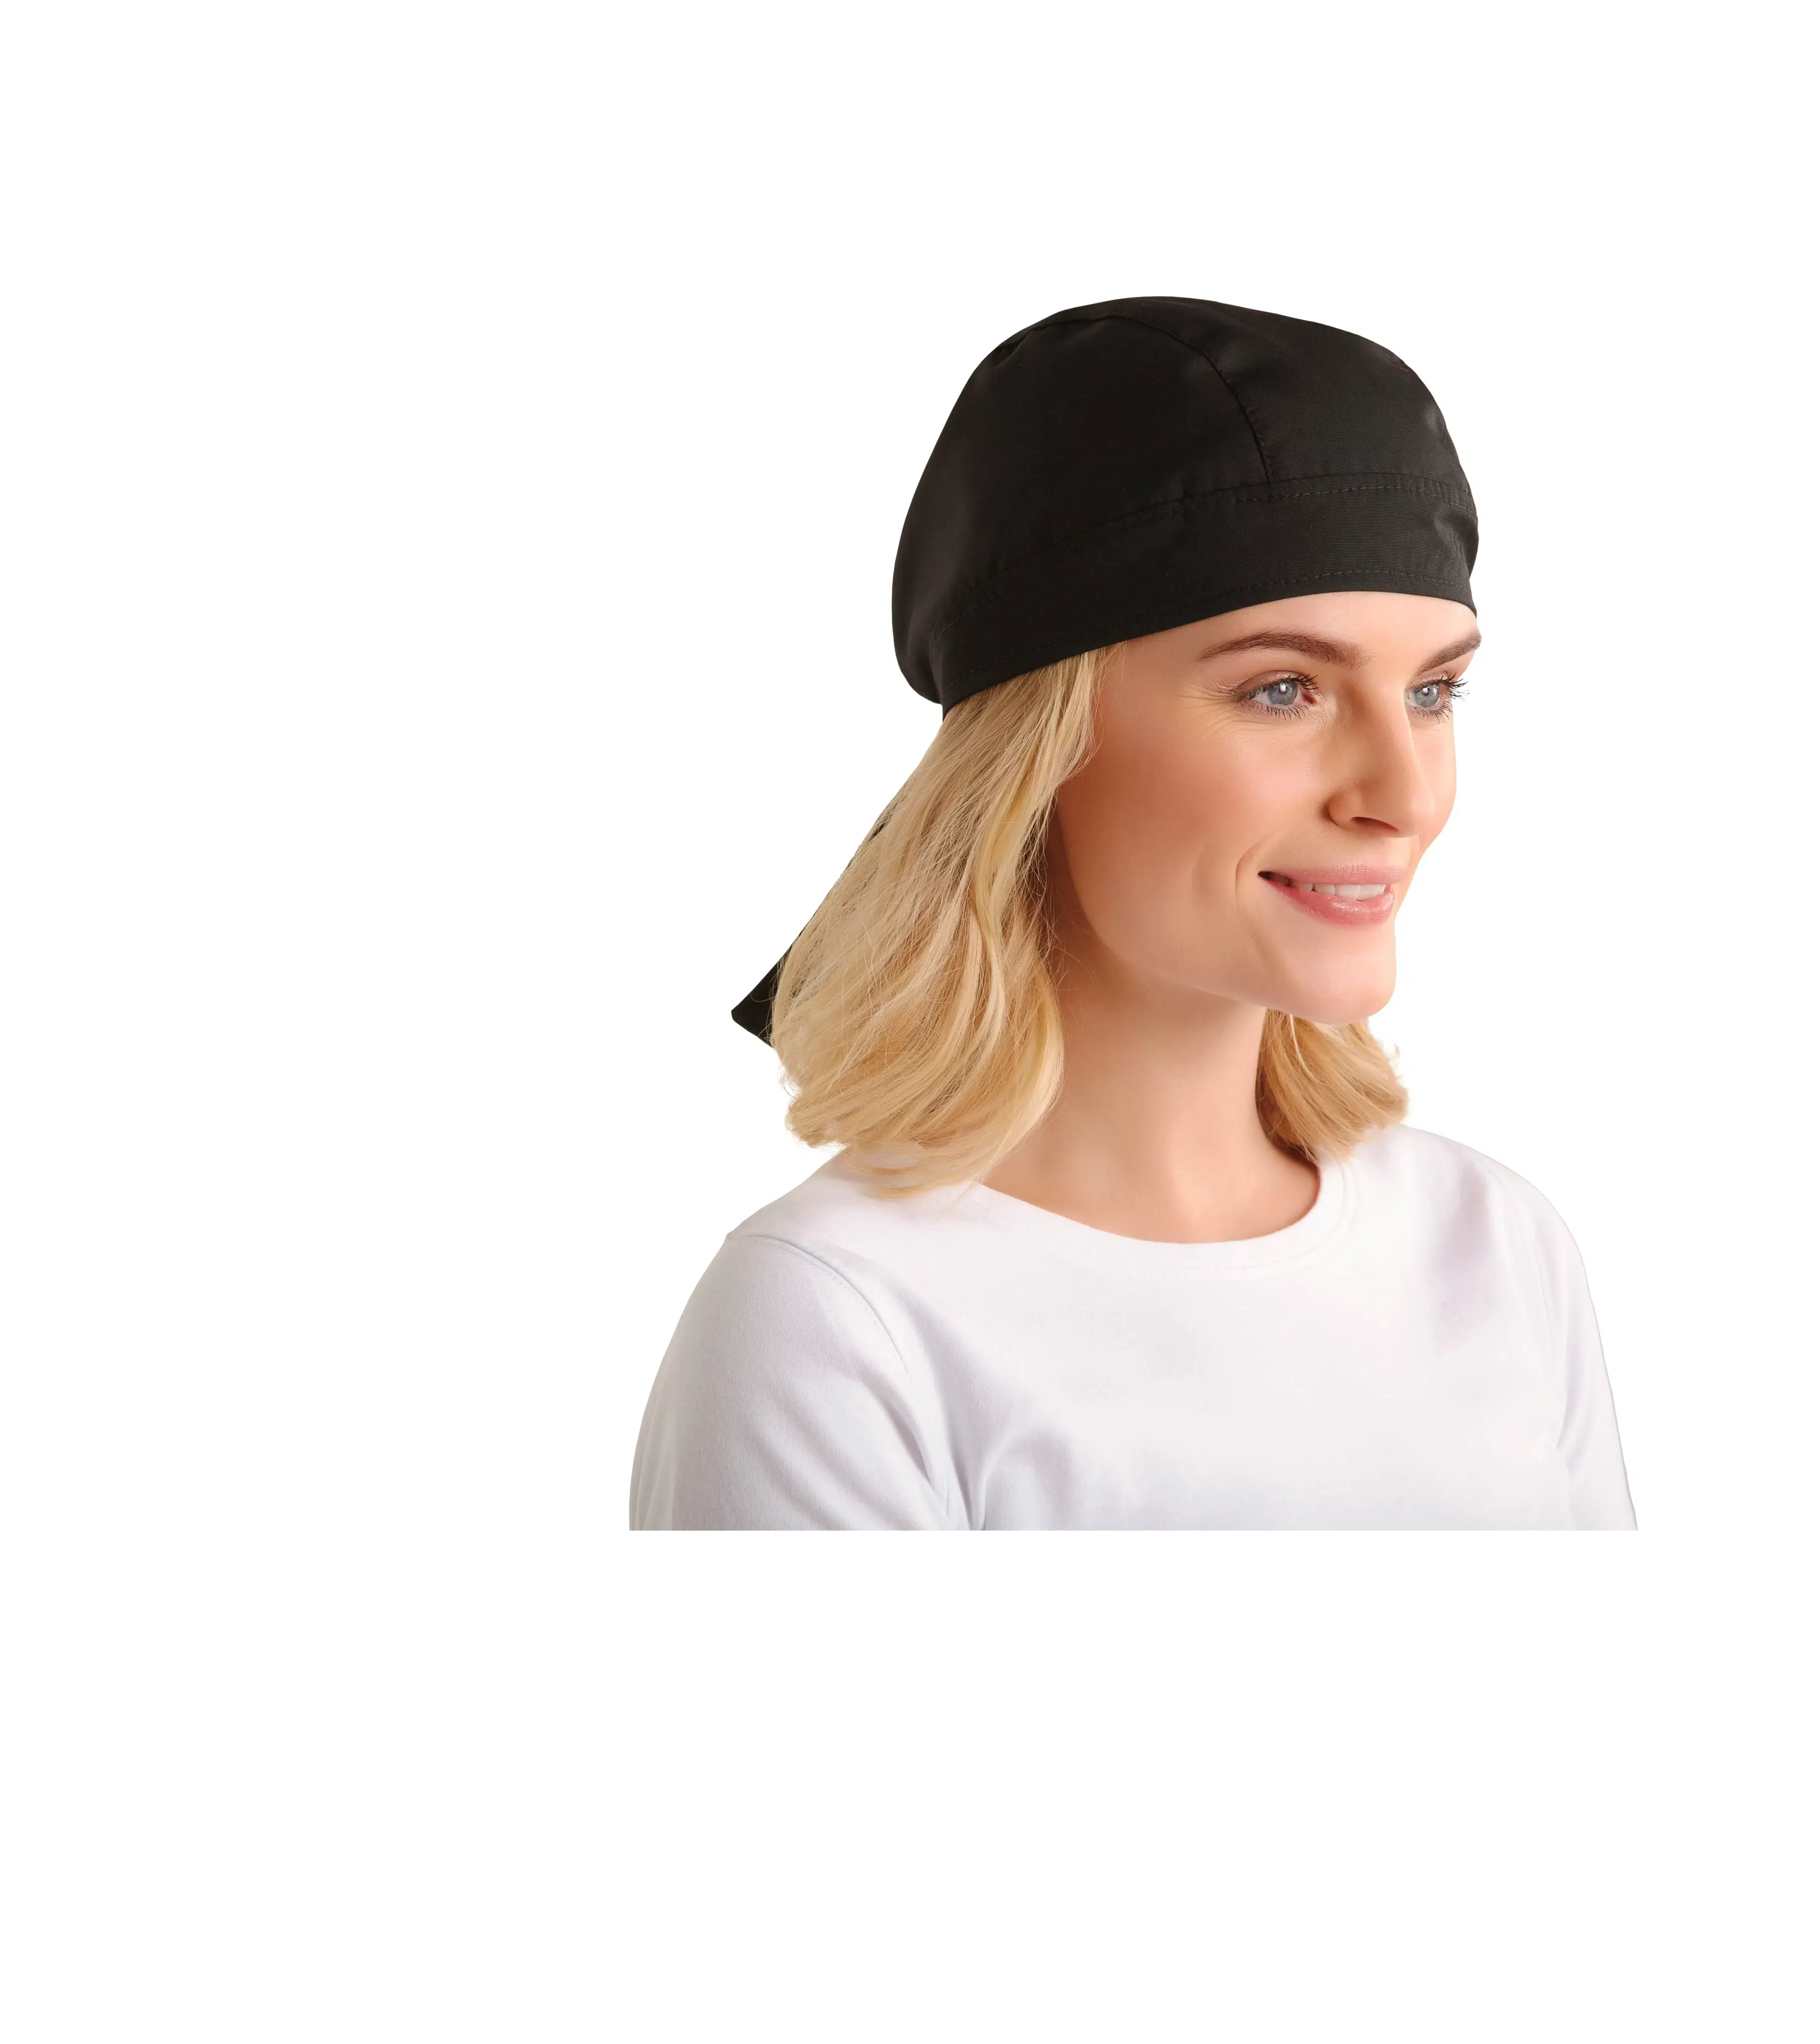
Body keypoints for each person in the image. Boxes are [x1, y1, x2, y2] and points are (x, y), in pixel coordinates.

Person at [632, 296, 1635, 1530]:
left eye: (1434, 693)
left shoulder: (1496, 1248)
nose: (1407, 796)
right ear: (1041, 751)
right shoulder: (838, 1320)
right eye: (1284, 689)